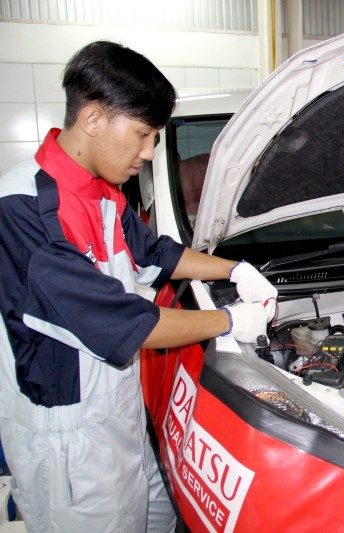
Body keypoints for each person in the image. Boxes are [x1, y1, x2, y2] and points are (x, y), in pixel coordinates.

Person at [0, 41, 277, 531]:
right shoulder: (22, 212)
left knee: (158, 518)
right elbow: (124, 323)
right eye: (143, 134)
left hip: (122, 415)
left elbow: (156, 254)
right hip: (72, 443)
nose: (148, 153)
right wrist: (232, 320)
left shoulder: (102, 192)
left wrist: (233, 269)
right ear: (92, 119)